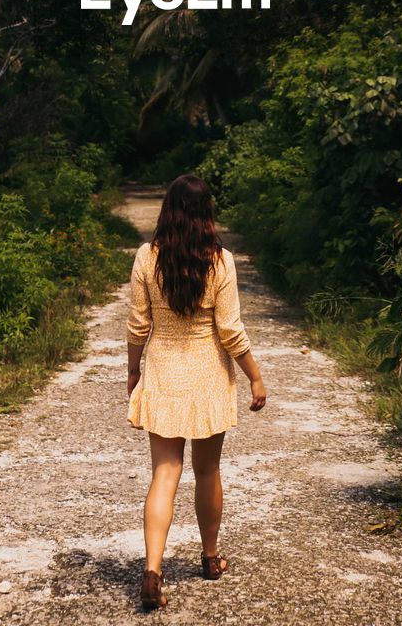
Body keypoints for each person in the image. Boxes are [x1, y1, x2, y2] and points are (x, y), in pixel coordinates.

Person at [126, 173, 266, 610]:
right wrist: (255, 376)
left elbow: (137, 326)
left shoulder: (148, 258)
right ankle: (209, 558)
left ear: (167, 209)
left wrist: (133, 373)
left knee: (164, 474)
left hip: (165, 373)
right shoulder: (220, 261)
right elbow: (230, 330)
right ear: (208, 212)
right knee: (207, 472)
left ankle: (152, 570)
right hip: (207, 377)